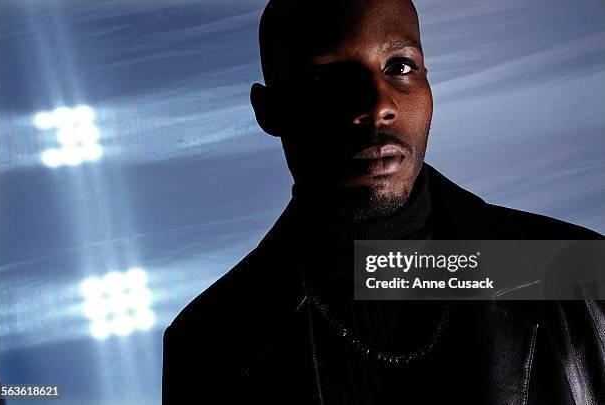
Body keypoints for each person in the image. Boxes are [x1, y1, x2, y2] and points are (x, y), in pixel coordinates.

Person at [162, 0, 604, 403]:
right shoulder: (209, 341)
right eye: (329, 76)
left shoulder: (577, 275)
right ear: (269, 110)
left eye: (400, 67)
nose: (377, 105)